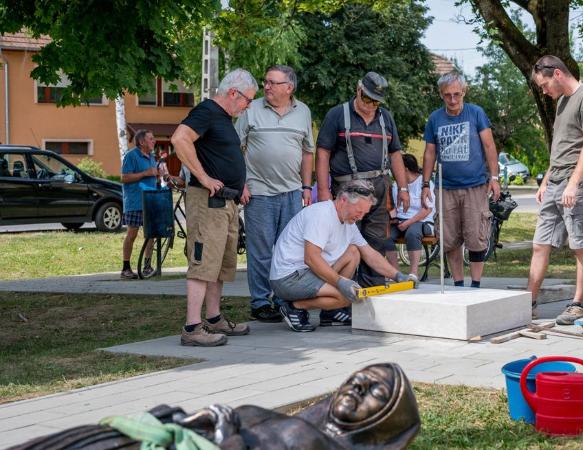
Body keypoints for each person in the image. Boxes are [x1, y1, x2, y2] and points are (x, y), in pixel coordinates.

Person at [12, 362, 421, 450]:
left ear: (383, 422)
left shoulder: (314, 445)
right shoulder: (302, 425)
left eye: (375, 394)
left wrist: (225, 435)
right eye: (357, 379)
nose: (356, 388)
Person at [170, 68, 258, 347]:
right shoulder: (207, 111)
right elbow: (179, 139)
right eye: (248, 100)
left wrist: (239, 184)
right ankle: (192, 327)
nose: (248, 106)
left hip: (227, 202)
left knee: (219, 265)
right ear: (233, 93)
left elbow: (219, 155)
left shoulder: (224, 119)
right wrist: (204, 177)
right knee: (203, 263)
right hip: (207, 203)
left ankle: (214, 318)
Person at [269, 180, 417, 332]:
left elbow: (370, 254)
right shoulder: (322, 215)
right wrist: (340, 283)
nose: (360, 217)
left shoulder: (349, 224)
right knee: (348, 297)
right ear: (343, 200)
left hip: (306, 272)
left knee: (353, 251)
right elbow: (311, 258)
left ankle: (331, 313)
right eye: (358, 211)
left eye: (364, 214)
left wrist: (398, 276)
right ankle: (293, 307)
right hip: (288, 278)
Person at [315, 72, 410, 291]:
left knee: (376, 242)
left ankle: (371, 295)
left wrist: (403, 188)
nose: (371, 105)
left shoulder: (385, 118)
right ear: (358, 90)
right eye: (367, 99)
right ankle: (337, 300)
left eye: (376, 101)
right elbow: (323, 153)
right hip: (348, 190)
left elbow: (395, 154)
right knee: (344, 244)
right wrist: (322, 191)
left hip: (378, 187)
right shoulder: (337, 115)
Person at [235, 65, 315, 323]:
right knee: (260, 252)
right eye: (265, 82)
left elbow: (307, 152)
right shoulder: (252, 109)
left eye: (272, 82)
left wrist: (306, 187)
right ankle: (260, 302)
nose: (266, 87)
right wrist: (241, 183)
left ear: (288, 88)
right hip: (258, 192)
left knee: (288, 252)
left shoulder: (302, 111)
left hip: (292, 193)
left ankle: (284, 300)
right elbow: (234, 147)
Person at [527, 55, 583, 324]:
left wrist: (573, 182)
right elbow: (560, 146)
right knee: (539, 244)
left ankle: (578, 304)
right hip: (556, 181)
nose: (544, 91)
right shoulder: (561, 103)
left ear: (556, 74)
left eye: (544, 85)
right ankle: (529, 302)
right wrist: (547, 180)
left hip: (578, 183)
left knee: (579, 244)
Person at [420, 71, 500, 288]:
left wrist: (494, 177)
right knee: (449, 238)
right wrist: (426, 184)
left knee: (475, 236)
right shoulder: (435, 119)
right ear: (441, 95)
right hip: (445, 188)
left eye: (457, 94)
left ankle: (475, 285)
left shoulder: (476, 113)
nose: (453, 100)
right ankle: (458, 284)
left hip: (475, 185)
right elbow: (429, 153)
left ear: (464, 92)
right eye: (448, 95)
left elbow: (489, 145)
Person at [385, 154, 435, 278]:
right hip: (400, 222)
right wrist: (392, 219)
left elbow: (427, 210)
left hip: (422, 221)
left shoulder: (424, 183)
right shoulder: (398, 185)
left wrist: (408, 222)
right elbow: (395, 209)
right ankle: (396, 274)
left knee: (412, 233)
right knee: (385, 235)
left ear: (405, 169)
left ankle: (413, 273)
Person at [119, 129, 158, 279]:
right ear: (142, 142)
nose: (154, 141)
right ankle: (126, 268)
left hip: (150, 201)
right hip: (135, 202)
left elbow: (151, 175)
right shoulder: (131, 156)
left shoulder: (151, 157)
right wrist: (145, 173)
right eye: (151, 138)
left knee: (150, 235)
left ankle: (147, 266)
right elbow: (124, 177)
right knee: (132, 234)